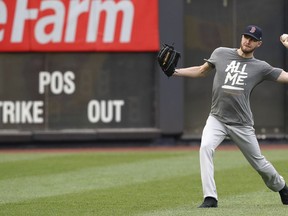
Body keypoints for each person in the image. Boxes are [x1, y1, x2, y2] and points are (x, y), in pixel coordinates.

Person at [173, 25, 288, 208]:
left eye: (252, 39)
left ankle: (282, 187)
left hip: (241, 124)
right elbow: (201, 71)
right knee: (205, 148)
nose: (247, 41)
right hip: (216, 118)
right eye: (245, 37)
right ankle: (210, 198)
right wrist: (174, 72)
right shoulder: (220, 53)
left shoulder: (261, 67)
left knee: (260, 164)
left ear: (259, 43)